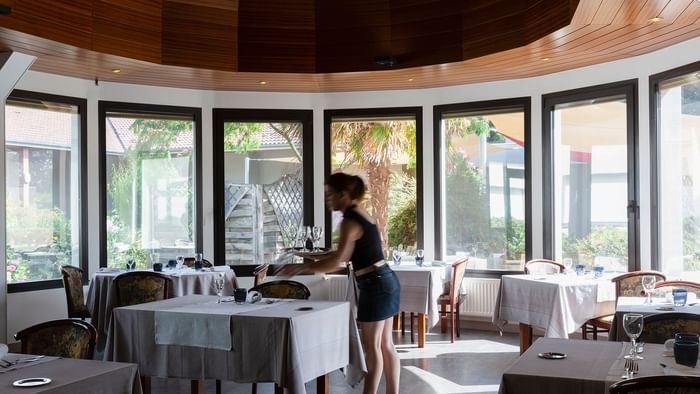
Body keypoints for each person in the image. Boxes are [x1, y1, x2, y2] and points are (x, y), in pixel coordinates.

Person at [278, 172, 401, 394]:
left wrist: (301, 267)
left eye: (330, 194)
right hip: (386, 281)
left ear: (343, 194)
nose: (327, 199)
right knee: (385, 344)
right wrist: (315, 257)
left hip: (375, 285)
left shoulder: (348, 222)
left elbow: (338, 262)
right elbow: (345, 253)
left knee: (373, 348)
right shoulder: (360, 214)